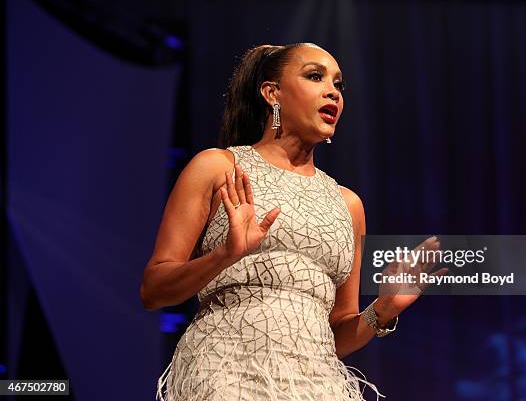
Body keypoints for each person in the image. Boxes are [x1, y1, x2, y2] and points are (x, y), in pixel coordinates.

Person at [140, 42, 442, 400]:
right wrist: (225, 255)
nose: (332, 91)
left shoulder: (348, 204)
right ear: (272, 93)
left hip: (317, 383)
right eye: (315, 77)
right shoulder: (219, 167)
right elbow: (154, 290)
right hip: (226, 370)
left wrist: (383, 309)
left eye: (339, 85)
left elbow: (337, 335)